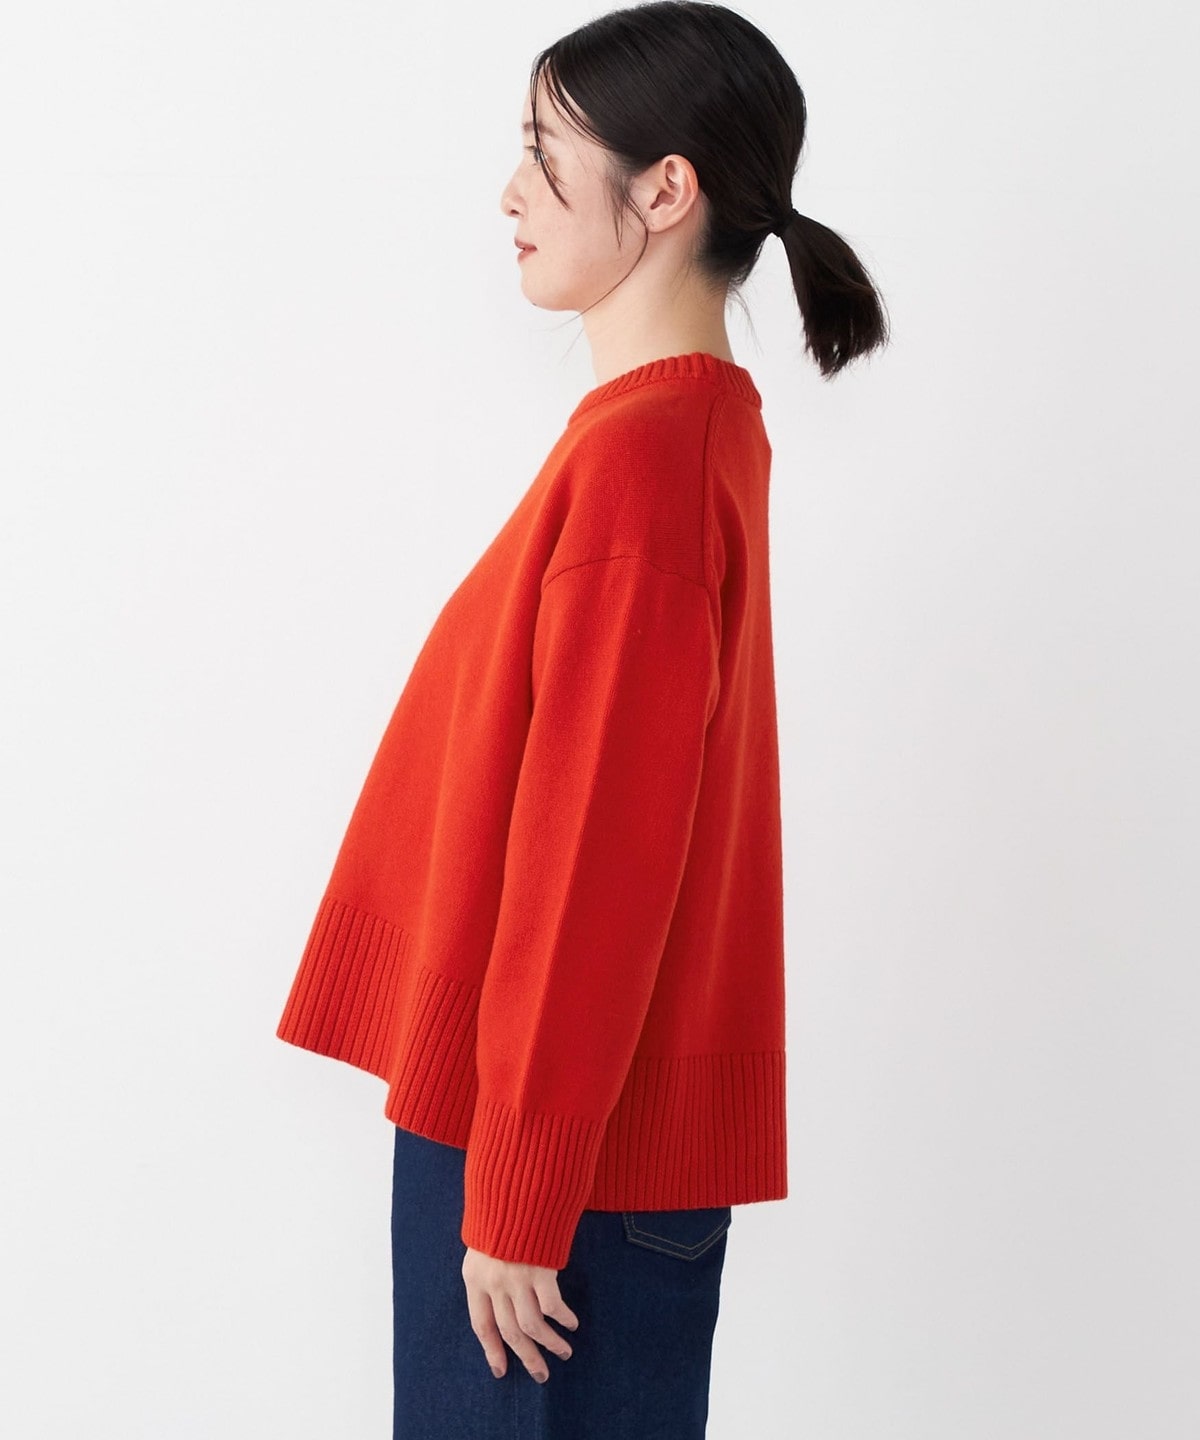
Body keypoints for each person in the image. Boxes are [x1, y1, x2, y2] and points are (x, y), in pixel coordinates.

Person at [275, 3, 889, 1436]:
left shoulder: (647, 467)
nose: (510, 193)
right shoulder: (683, 430)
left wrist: (519, 1194)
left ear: (665, 191)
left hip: (555, 1162)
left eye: (545, 156)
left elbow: (593, 863)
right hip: (566, 1137)